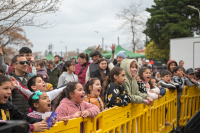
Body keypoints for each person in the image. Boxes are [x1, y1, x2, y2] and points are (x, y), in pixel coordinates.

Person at [172, 66, 186, 133]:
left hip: (181, 98)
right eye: (179, 70)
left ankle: (179, 126)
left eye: (181, 70)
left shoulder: (181, 78)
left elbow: (189, 84)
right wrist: (183, 78)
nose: (181, 71)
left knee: (180, 112)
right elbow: (181, 88)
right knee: (176, 113)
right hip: (176, 98)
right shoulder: (175, 78)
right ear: (175, 73)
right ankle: (176, 127)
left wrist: (184, 77)